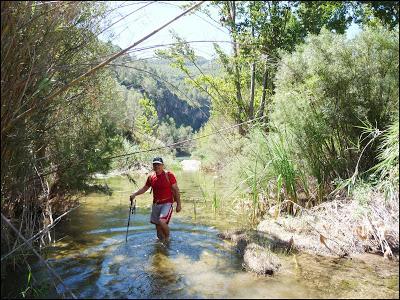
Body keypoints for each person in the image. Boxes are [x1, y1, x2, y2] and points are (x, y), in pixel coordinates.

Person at [130, 157, 181, 243]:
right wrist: (134, 194)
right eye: (155, 164)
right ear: (153, 166)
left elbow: (176, 189)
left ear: (162, 165)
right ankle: (161, 245)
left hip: (167, 203)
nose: (156, 166)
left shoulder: (169, 175)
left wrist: (179, 204)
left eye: (158, 164)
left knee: (162, 221)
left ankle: (168, 239)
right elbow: (145, 188)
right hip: (156, 205)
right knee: (158, 230)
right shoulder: (151, 177)